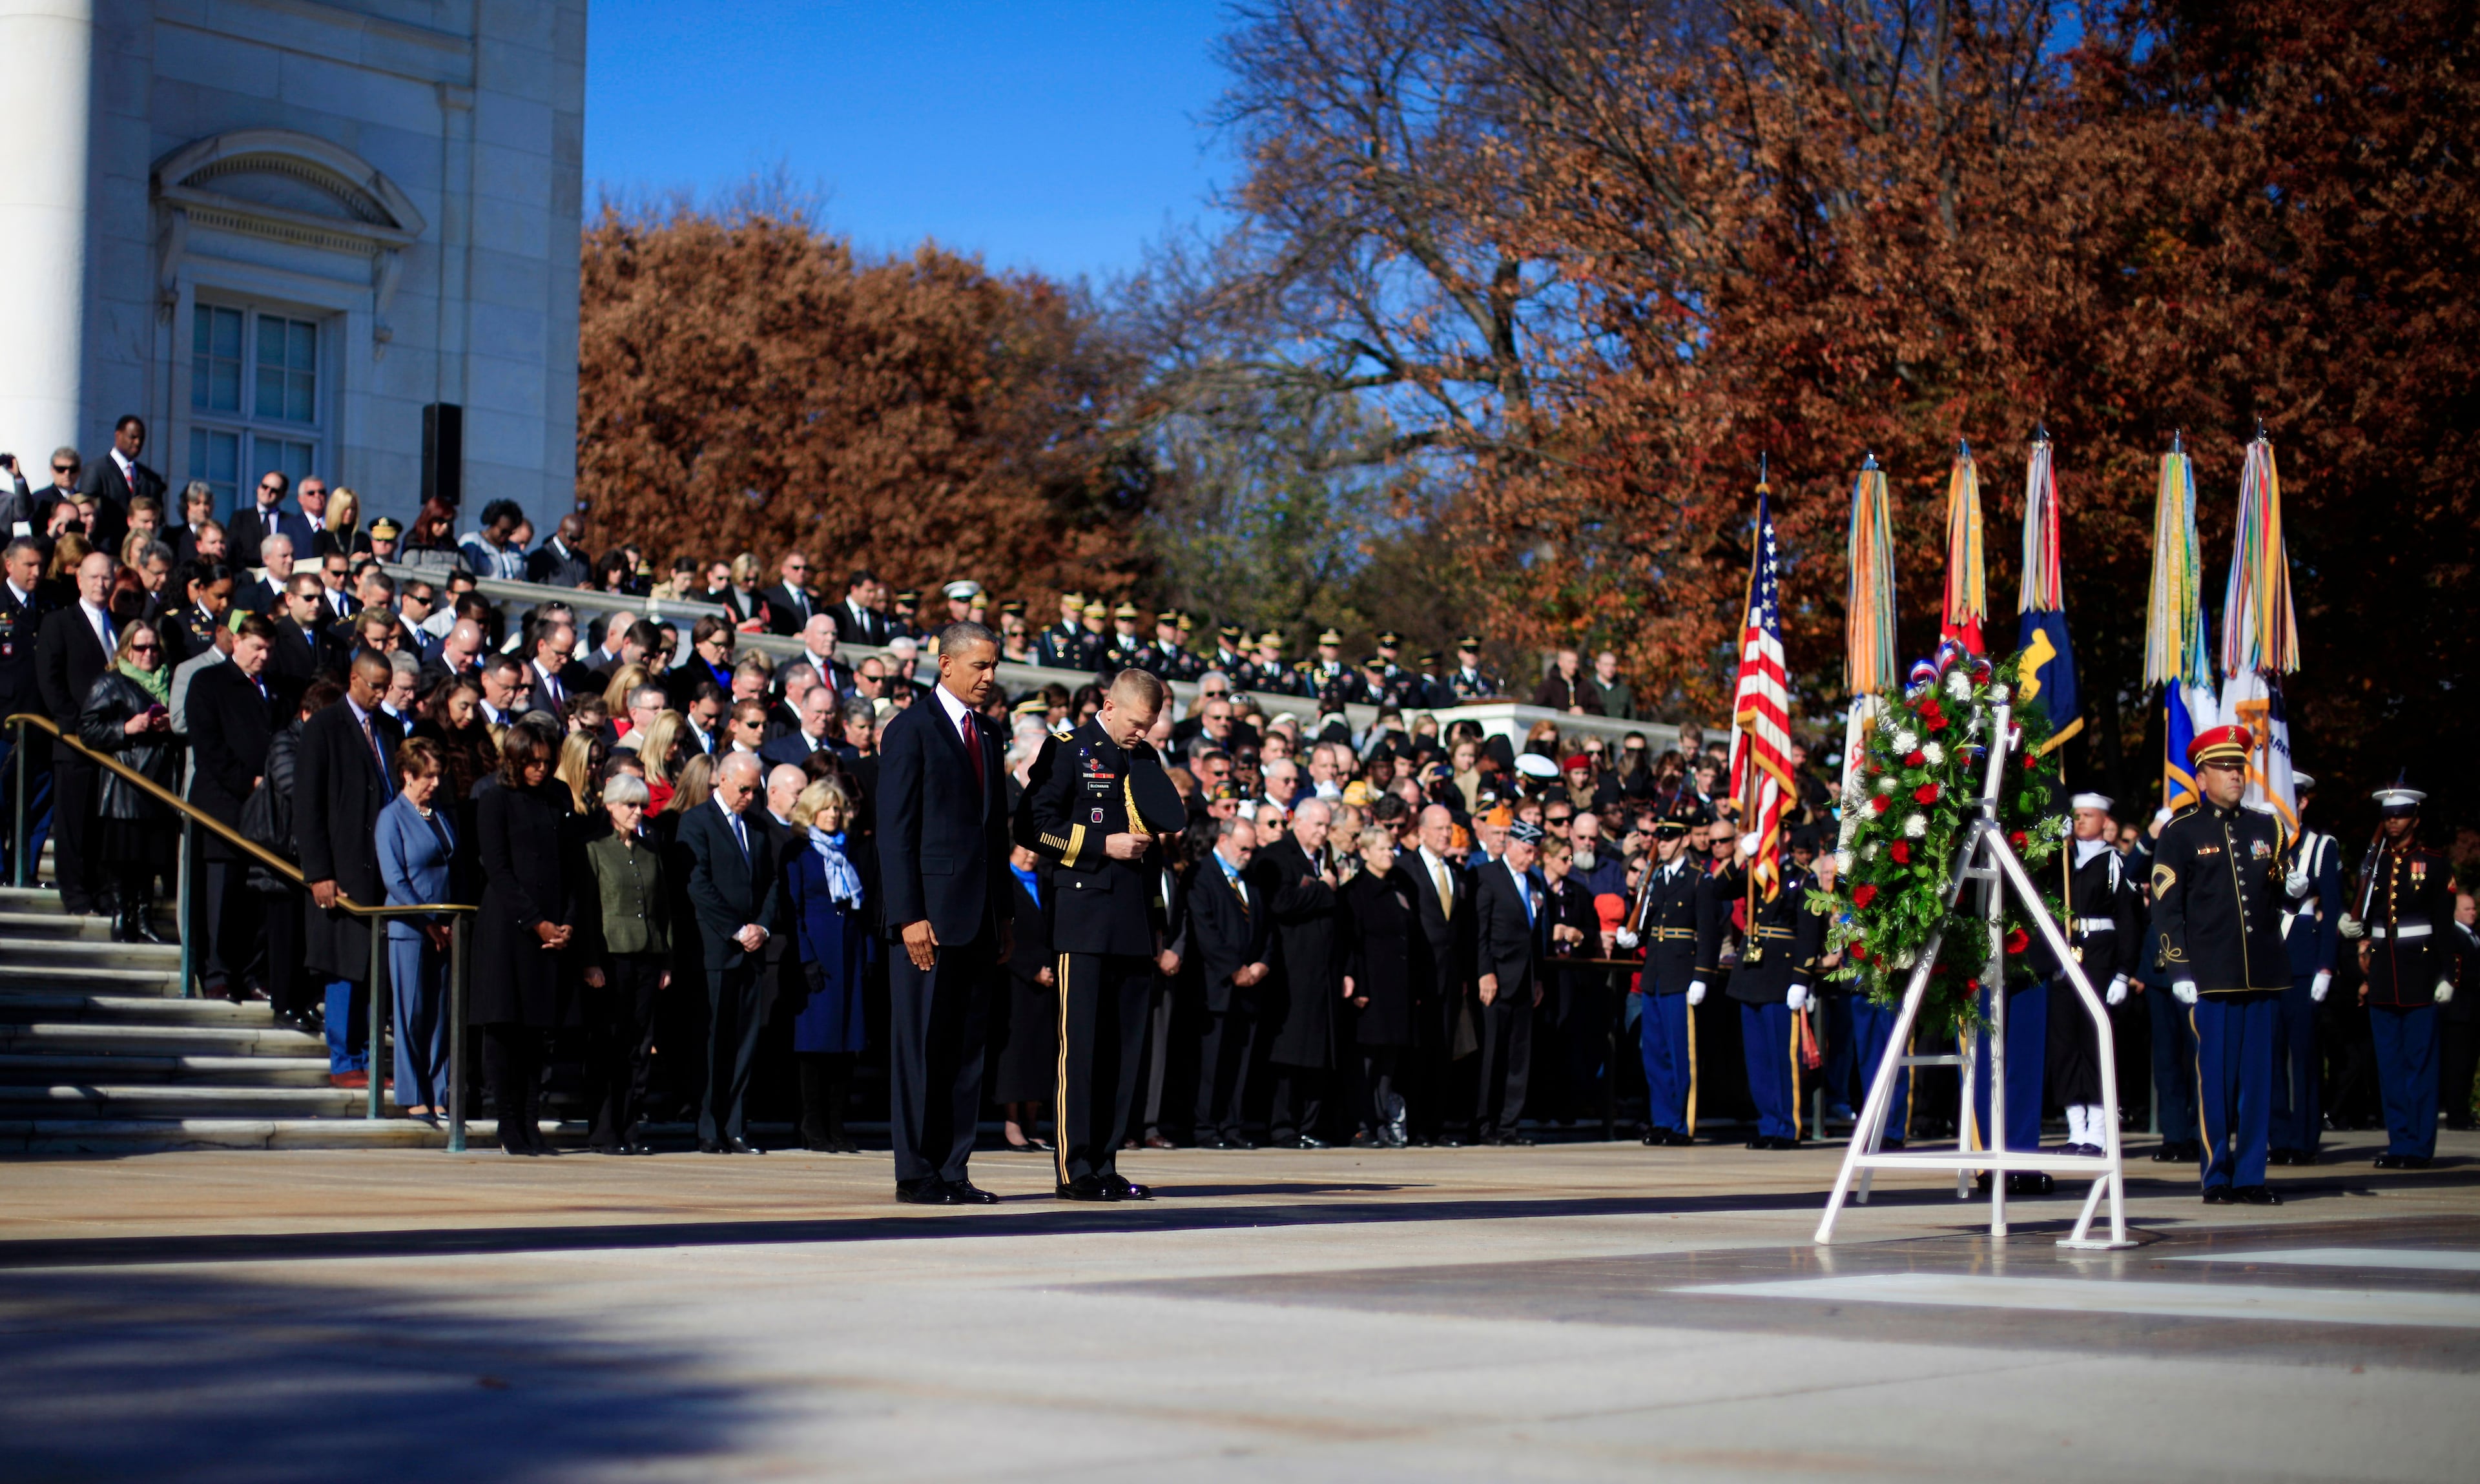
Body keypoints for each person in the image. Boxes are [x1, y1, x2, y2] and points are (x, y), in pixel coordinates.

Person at [1014, 665, 1184, 1199]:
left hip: (1133, 920)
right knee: (1082, 1048)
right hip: (1084, 920)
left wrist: (1156, 922)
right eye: (1135, 722)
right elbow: (1032, 825)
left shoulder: (1145, 758)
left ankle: (1106, 1162)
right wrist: (1099, 844)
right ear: (1108, 707)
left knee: (1122, 1051)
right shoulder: (1066, 749)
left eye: (1150, 725)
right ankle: (1075, 1168)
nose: (1142, 733)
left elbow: (1156, 848)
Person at [876, 622, 1010, 1204]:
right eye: (979, 666)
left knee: (966, 1052)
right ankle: (917, 1172)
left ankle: (954, 1168)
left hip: (978, 919)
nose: (988, 677)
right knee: (921, 1050)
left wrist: (1004, 916)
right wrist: (908, 915)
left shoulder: (991, 733)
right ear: (946, 664)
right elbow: (895, 831)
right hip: (927, 921)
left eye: (994, 667)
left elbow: (994, 835)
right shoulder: (912, 729)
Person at [2151, 724, 2293, 1204]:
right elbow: (2167, 907)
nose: (2236, 775)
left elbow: (2280, 898)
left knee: (2258, 1082)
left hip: (2261, 973)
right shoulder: (2181, 832)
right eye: (2225, 768)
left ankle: (2252, 1175)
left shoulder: (2266, 827)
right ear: (2203, 774)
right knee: (2215, 1080)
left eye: (2240, 767)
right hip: (2210, 977)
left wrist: (2294, 889)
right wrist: (2179, 969)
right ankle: (2217, 1175)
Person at [296, 650, 403, 1089]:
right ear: (354, 679)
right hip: (342, 871)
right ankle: (345, 1059)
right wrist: (319, 872)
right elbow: (308, 804)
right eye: (374, 686)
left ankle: (371, 1057)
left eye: (386, 687)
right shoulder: (324, 726)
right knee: (345, 968)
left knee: (377, 970)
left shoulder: (391, 729)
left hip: (384, 871)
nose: (381, 695)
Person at [2339, 778, 2458, 1170]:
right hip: (2385, 973)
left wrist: (2446, 974)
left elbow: (2443, 924)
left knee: (2419, 1064)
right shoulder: (2374, 862)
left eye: (2401, 815)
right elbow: (2368, 913)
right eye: (2388, 816)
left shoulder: (2434, 862)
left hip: (2421, 971)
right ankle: (2400, 1142)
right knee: (2390, 1065)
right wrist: (2354, 929)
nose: (2393, 822)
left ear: (2415, 819)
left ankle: (2420, 1146)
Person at [470, 723, 577, 1155]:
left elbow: (569, 866)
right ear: (514, 761)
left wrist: (566, 922)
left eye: (547, 762)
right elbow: (498, 870)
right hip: (509, 928)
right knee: (504, 1028)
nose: (540, 769)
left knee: (538, 1031)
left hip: (551, 928)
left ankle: (532, 1120)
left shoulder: (558, 798)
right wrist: (536, 922)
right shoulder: (494, 800)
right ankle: (508, 1122)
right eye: (532, 762)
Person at [2028, 793, 2147, 1159]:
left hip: (2100, 954)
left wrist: (2124, 973)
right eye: (2076, 815)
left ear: (2104, 821)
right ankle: (2075, 1127)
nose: (2080, 821)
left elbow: (2129, 920)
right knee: (2065, 1043)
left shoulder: (2114, 862)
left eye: (2087, 815)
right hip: (2065, 952)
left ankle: (2099, 1128)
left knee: (2095, 1042)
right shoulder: (2061, 858)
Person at [679, 751, 783, 1154]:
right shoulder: (696, 822)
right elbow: (698, 885)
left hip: (752, 949)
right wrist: (737, 930)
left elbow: (772, 881)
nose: (748, 797)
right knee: (713, 1043)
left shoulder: (756, 827)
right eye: (743, 789)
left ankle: (736, 1125)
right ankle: (709, 1127)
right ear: (721, 781)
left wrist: (762, 926)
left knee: (744, 1043)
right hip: (717, 950)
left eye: (754, 790)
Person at [1711, 834, 1824, 1152]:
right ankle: (1768, 1124)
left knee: (1782, 1058)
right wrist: (1738, 857)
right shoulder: (1755, 871)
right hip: (1751, 972)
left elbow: (1809, 932)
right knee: (1758, 1058)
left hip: (1781, 975)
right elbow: (1717, 890)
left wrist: (1802, 978)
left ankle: (1787, 1127)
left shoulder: (1803, 877)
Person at [186, 614, 280, 998]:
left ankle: (251, 973)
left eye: (269, 650)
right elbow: (208, 745)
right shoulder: (209, 682)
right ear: (236, 642)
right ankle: (217, 974)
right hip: (222, 807)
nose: (262, 657)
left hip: (263, 813)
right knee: (220, 897)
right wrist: (248, 781)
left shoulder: (270, 689)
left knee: (255, 898)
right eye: (256, 647)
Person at [577, 771, 668, 1155]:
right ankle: (603, 1130)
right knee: (608, 1044)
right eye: (630, 805)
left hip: (646, 956)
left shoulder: (649, 852)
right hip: (610, 958)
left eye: (641, 806)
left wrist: (666, 959)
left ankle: (630, 1126)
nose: (637, 812)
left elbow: (662, 908)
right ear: (611, 806)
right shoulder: (596, 848)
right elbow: (589, 908)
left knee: (638, 1045)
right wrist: (590, 961)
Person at [76, 621, 181, 943]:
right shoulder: (111, 683)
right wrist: (126, 728)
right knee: (125, 857)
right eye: (140, 648)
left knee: (152, 857)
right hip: (125, 783)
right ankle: (123, 915)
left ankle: (145, 916)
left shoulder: (169, 681)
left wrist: (169, 726)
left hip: (160, 781)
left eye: (154, 648)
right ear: (126, 650)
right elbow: (88, 729)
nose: (148, 654)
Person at [1255, 794, 1345, 1149]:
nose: (1324, 832)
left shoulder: (1324, 859)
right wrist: (1325, 890)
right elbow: (1281, 902)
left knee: (1319, 1052)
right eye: (1319, 825)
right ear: (1299, 822)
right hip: (1292, 970)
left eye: (1327, 826)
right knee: (1290, 1054)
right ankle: (1283, 1126)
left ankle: (1310, 1124)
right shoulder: (1277, 856)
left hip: (1324, 971)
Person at [375, 737, 457, 1123]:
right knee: (411, 1012)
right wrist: (427, 922)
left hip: (444, 925)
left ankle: (439, 1091)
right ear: (408, 775)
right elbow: (395, 878)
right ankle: (412, 1092)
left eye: (439, 775)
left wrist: (445, 923)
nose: (435, 783)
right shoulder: (392, 817)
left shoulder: (437, 813)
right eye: (428, 776)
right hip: (410, 927)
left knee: (441, 1013)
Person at [36, 551, 123, 916]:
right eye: (93, 577)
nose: (101, 584)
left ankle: (102, 892)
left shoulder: (120, 624)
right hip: (76, 743)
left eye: (107, 578)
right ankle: (74, 893)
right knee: (73, 824)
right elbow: (50, 677)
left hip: (114, 744)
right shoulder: (60, 622)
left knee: (102, 827)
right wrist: (71, 723)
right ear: (79, 580)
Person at [785, 778, 869, 1153]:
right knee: (815, 1045)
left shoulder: (851, 849)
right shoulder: (799, 851)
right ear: (810, 811)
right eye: (826, 807)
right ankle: (812, 1126)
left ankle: (837, 1125)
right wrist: (806, 959)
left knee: (845, 1045)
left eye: (837, 808)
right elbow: (795, 909)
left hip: (848, 955)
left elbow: (861, 907)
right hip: (817, 955)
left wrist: (867, 955)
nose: (833, 814)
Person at [2270, 773, 2343, 1164]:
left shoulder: (2321, 846)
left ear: (2302, 803)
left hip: (2303, 963)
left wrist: (2326, 967)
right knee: (2270, 1056)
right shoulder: (2262, 842)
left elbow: (2332, 910)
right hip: (2267, 962)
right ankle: (2278, 1138)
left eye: (2291, 799)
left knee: (2303, 1056)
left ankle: (2304, 1139)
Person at [1619, 812, 1702, 1146]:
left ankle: (1682, 1124)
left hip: (1681, 974)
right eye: (1660, 838)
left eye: (1669, 838)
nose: (1662, 844)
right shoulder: (1654, 879)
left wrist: (1702, 976)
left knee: (1680, 1054)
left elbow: (1707, 932)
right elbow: (1648, 922)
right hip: (1653, 973)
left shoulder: (1698, 879)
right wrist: (1633, 939)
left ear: (1683, 840)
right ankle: (1663, 1120)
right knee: (1655, 1054)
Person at [1190, 814, 1272, 1148]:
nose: (1248, 855)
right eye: (1243, 849)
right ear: (1222, 841)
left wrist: (1262, 964)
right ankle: (1206, 1127)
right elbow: (1205, 929)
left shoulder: (1249, 879)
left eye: (1252, 850)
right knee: (1212, 1062)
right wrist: (1233, 969)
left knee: (1241, 1061)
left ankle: (1233, 1125)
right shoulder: (1203, 875)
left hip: (1250, 985)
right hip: (1217, 986)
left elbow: (1266, 926)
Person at [1341, 825, 1420, 1146]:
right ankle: (1363, 1122)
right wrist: (1358, 983)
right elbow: (1352, 940)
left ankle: (1384, 1120)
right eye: (1383, 849)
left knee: (1389, 1060)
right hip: (1370, 985)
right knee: (1367, 1061)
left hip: (1396, 986)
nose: (1390, 854)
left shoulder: (1399, 887)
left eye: (1392, 849)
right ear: (1365, 852)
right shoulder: (1356, 890)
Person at [1471, 819, 1548, 1144]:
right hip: (1498, 978)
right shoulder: (1487, 876)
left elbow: (1535, 936)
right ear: (1511, 844)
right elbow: (1481, 931)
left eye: (1534, 852)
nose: (1531, 857)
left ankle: (1509, 1125)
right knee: (1492, 1055)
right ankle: (1484, 1125)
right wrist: (1484, 971)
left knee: (1519, 1056)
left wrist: (1538, 977)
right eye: (1527, 850)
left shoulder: (1533, 882)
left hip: (1524, 979)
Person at [991, 841, 1058, 1152]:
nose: (1031, 855)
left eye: (1034, 850)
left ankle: (1033, 1122)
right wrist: (1031, 969)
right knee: (1015, 1053)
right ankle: (1013, 1123)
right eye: (1023, 849)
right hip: (1015, 980)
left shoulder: (1044, 881)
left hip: (1046, 979)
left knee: (1041, 1051)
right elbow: (1000, 934)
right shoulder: (1002, 881)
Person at [0, 538, 56, 889]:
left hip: (41, 724)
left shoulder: (49, 606)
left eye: (40, 565)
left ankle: (28, 870)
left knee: (38, 805)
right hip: (4, 724)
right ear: (10, 565)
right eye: (29, 565)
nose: (37, 572)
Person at [76, 414, 161, 555]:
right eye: (132, 437)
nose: (137, 443)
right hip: (106, 550)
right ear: (118, 435)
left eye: (141, 439)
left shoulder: (150, 478)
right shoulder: (96, 470)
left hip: (140, 554)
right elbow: (87, 509)